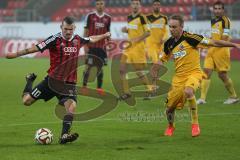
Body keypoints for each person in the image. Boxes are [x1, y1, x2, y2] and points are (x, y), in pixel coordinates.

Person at [5, 16, 111, 144]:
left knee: (71, 105)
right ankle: (29, 80)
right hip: (52, 82)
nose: (68, 32)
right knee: (26, 101)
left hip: (68, 84)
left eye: (70, 29)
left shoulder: (78, 39)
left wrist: (105, 35)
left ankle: (64, 136)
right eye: (65, 29)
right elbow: (36, 48)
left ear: (74, 28)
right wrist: (16, 54)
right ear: (61, 27)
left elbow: (91, 39)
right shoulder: (54, 39)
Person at [159, 15, 240, 137]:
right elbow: (162, 58)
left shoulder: (192, 38)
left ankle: (195, 124)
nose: (171, 29)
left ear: (182, 26)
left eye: (174, 27)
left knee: (189, 91)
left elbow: (214, 42)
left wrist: (233, 45)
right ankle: (171, 126)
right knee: (169, 109)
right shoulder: (169, 43)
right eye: (170, 27)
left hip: (194, 73)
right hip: (178, 79)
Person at [197, 1, 239, 105]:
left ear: (223, 10)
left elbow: (224, 39)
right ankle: (202, 99)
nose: (217, 10)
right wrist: (207, 42)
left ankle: (233, 96)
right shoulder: (213, 20)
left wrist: (213, 43)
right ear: (213, 10)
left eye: (219, 8)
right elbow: (214, 37)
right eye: (215, 8)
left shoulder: (226, 21)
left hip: (222, 51)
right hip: (212, 49)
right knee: (206, 72)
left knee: (222, 75)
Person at [118, 0, 152, 101]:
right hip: (129, 47)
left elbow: (148, 32)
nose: (135, 6)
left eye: (137, 4)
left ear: (140, 6)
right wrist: (126, 30)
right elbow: (132, 30)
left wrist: (137, 39)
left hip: (138, 48)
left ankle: (150, 90)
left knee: (138, 72)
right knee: (122, 69)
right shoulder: (129, 17)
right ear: (131, 6)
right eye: (133, 4)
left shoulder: (142, 17)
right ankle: (126, 92)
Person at [82, 0, 111, 95]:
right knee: (88, 67)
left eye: (101, 3)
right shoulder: (90, 16)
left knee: (100, 68)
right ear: (95, 5)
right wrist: (85, 45)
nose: (100, 6)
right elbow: (86, 31)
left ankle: (99, 88)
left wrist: (109, 43)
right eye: (98, 4)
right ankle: (84, 86)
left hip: (101, 48)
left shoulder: (108, 18)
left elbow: (108, 32)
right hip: (91, 47)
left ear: (104, 5)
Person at [146, 0, 168, 96]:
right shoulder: (147, 18)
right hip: (151, 45)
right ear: (152, 6)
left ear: (160, 6)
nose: (156, 6)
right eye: (155, 5)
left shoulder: (164, 18)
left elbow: (166, 31)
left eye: (158, 5)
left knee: (157, 67)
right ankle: (153, 88)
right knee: (156, 64)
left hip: (161, 46)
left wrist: (164, 39)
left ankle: (153, 85)